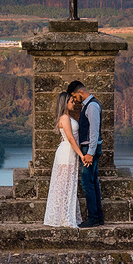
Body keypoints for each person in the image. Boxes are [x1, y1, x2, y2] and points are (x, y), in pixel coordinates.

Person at [42, 92, 89, 228]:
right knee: (63, 185)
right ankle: (61, 217)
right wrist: (82, 155)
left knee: (68, 185)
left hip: (69, 153)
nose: (74, 103)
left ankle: (65, 215)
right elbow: (70, 138)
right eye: (71, 101)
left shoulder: (67, 117)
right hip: (66, 153)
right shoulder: (65, 117)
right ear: (65, 102)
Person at [67, 80, 104, 227]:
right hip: (89, 149)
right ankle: (98, 217)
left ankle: (93, 218)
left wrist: (90, 153)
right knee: (93, 183)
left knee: (87, 183)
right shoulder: (88, 105)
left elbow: (94, 132)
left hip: (89, 149)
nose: (75, 100)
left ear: (80, 92)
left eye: (75, 96)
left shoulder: (92, 106)